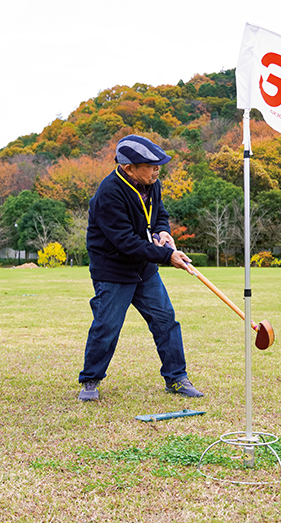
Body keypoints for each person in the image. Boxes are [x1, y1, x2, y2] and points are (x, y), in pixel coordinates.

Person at [78, 134, 204, 401]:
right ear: (128, 167)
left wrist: (163, 232)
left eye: (159, 165)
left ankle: (177, 378)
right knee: (107, 325)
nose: (157, 170)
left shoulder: (151, 184)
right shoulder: (109, 193)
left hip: (144, 268)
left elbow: (160, 214)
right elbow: (125, 242)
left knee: (165, 320)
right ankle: (90, 380)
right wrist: (166, 256)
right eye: (151, 165)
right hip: (113, 270)